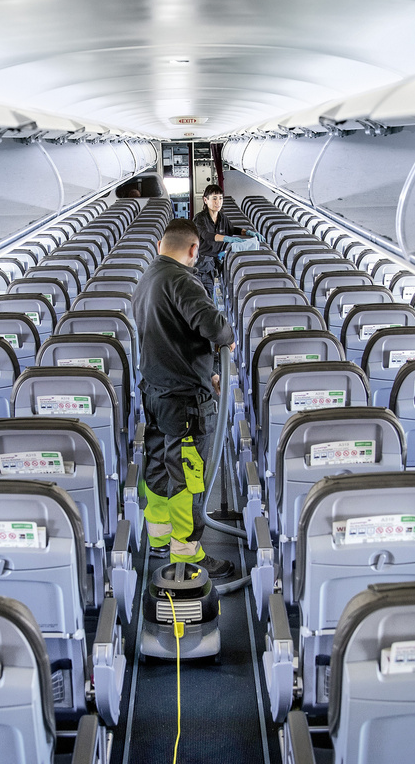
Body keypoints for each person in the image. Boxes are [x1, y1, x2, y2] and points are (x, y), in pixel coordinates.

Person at [130, 219, 237, 578]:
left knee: (159, 464)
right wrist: (226, 335)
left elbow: (172, 336)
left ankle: (158, 537)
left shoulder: (147, 277)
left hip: (156, 392)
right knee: (187, 473)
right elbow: (212, 323)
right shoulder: (181, 279)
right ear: (194, 249)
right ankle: (188, 551)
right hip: (185, 400)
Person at [190, 184, 250, 293]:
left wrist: (248, 232)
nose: (218, 202)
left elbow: (231, 229)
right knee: (199, 294)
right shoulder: (200, 218)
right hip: (200, 264)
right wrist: (226, 238)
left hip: (213, 264)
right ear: (205, 200)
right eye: (214, 198)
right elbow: (206, 235)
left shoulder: (223, 218)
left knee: (208, 294)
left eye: (220, 198)